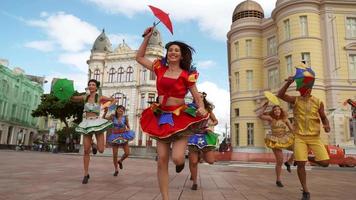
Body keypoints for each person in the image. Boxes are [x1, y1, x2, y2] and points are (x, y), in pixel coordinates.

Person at [136, 27, 208, 200]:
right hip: (162, 116)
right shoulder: (159, 68)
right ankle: (166, 198)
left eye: (177, 50)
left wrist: (202, 107)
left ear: (181, 55)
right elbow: (139, 57)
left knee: (176, 158)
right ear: (167, 54)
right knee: (161, 159)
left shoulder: (186, 75)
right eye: (170, 50)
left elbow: (197, 96)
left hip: (180, 117)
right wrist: (146, 37)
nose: (173, 52)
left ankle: (181, 163)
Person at [277, 64, 330, 200]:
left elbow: (323, 116)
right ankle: (305, 191)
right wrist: (289, 83)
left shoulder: (318, 102)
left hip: (314, 137)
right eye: (300, 89)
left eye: (305, 88)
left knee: (325, 162)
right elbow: (280, 95)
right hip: (299, 136)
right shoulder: (296, 100)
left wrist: (326, 124)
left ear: (309, 88)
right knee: (300, 164)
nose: (302, 91)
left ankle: (306, 159)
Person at [71, 79, 114, 184]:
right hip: (86, 123)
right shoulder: (85, 97)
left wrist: (105, 107)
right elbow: (73, 98)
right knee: (86, 151)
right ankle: (86, 174)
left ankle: (94, 145)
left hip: (97, 122)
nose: (91, 86)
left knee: (101, 150)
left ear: (96, 87)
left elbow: (112, 100)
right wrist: (69, 94)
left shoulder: (99, 97)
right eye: (89, 84)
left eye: (93, 84)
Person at [258, 102, 294, 187]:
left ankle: (289, 162)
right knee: (280, 160)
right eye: (275, 110)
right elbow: (260, 116)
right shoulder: (271, 119)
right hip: (275, 140)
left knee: (298, 149)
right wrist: (264, 106)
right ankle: (278, 180)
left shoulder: (285, 119)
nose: (277, 111)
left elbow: (292, 129)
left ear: (281, 111)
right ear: (273, 112)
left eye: (278, 109)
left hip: (285, 138)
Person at [187, 92, 219, 190]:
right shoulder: (190, 108)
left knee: (211, 161)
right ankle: (195, 182)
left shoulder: (208, 110)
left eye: (200, 97)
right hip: (193, 136)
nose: (198, 98)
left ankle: (200, 154)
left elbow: (216, 121)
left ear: (203, 98)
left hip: (205, 136)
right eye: (196, 96)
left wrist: (210, 125)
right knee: (193, 162)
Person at [104, 105, 135, 176]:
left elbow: (128, 127)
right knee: (115, 155)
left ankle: (120, 161)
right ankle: (116, 169)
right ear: (117, 110)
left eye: (122, 110)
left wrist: (128, 129)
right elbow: (104, 119)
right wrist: (105, 112)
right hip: (115, 136)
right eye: (119, 109)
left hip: (123, 136)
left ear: (123, 111)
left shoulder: (125, 118)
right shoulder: (112, 117)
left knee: (127, 153)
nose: (120, 111)